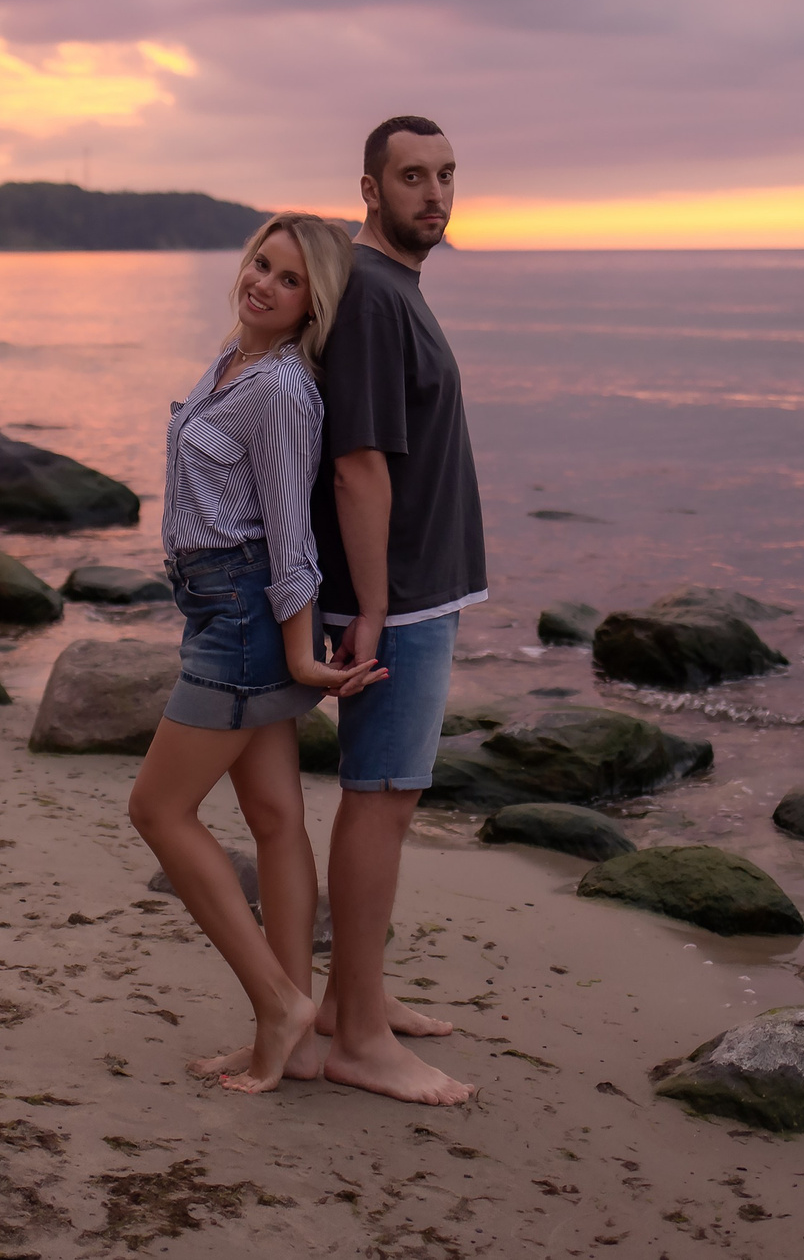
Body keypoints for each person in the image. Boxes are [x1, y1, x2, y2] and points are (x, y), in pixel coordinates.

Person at [126, 211, 386, 1093]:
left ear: (313, 305)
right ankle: (297, 1036)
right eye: (260, 263)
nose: (263, 282)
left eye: (288, 279)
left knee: (158, 811)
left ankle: (279, 1004)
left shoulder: (281, 390)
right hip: (215, 605)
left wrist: (299, 653)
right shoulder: (231, 361)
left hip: (241, 613)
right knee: (275, 818)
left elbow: (290, 535)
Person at [310, 115, 485, 1106]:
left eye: (447, 174)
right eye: (412, 176)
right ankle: (359, 1038)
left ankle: (351, 1001)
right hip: (398, 601)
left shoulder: (392, 287)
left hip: (416, 588)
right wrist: (371, 607)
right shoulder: (373, 293)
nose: (435, 193)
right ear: (370, 188)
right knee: (379, 798)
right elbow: (358, 463)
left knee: (388, 798)